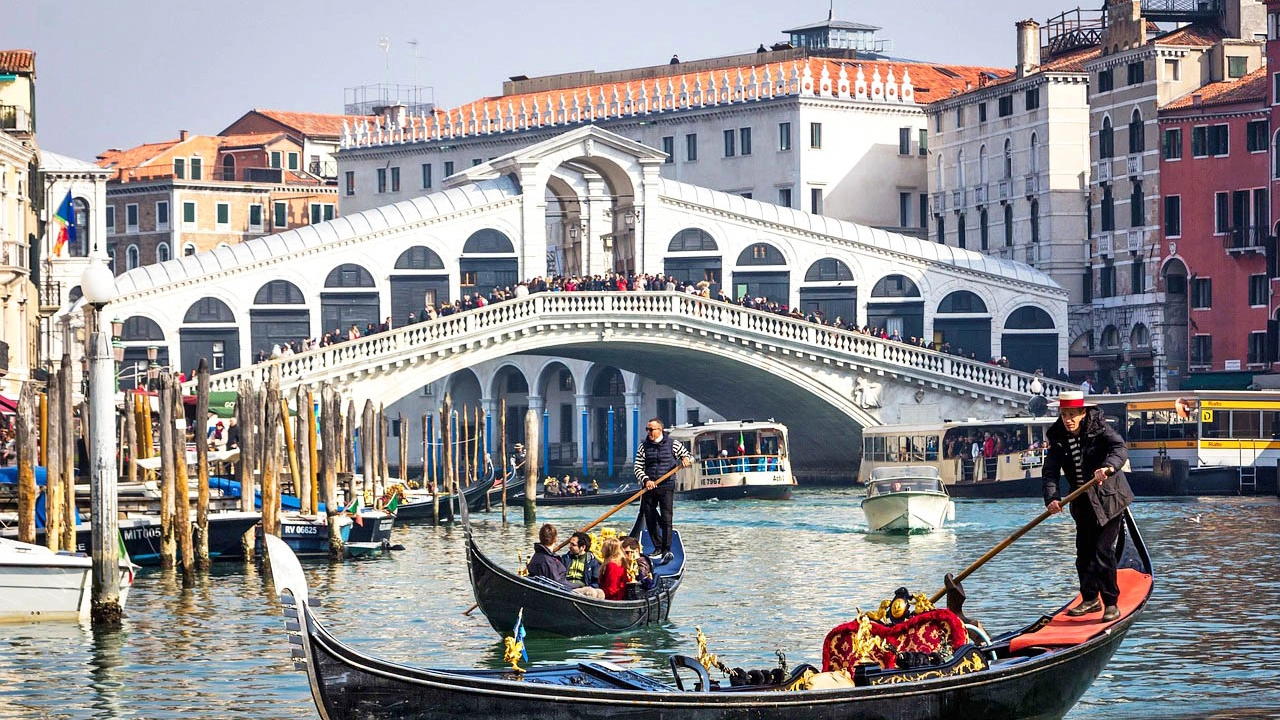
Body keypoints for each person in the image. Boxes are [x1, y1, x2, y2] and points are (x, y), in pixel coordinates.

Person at [1042, 390, 1134, 623]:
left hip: (1110, 498)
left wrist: (1108, 468)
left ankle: (1111, 603)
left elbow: (1120, 450)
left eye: (1072, 414)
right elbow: (1050, 471)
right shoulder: (1058, 436)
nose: (1068, 419)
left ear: (1083, 413)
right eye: (1064, 415)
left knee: (1102, 552)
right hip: (1082, 502)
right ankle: (1090, 598)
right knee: (1083, 553)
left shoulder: (1099, 427)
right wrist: (1052, 498)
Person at [631, 417, 692, 564]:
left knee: (666, 518)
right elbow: (637, 467)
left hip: (666, 486)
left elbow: (690, 457)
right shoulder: (643, 447)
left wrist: (685, 459)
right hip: (649, 486)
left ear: (660, 430)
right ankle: (657, 546)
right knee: (649, 515)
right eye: (647, 429)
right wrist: (646, 480)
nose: (649, 432)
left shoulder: (673, 444)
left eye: (651, 429)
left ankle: (666, 549)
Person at [560, 531, 604, 598]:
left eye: (573, 545)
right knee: (591, 592)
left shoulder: (592, 561)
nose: (569, 547)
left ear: (582, 547)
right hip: (568, 589)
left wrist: (592, 587)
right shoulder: (565, 558)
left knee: (601, 593)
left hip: (584, 588)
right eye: (570, 544)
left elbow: (596, 581)